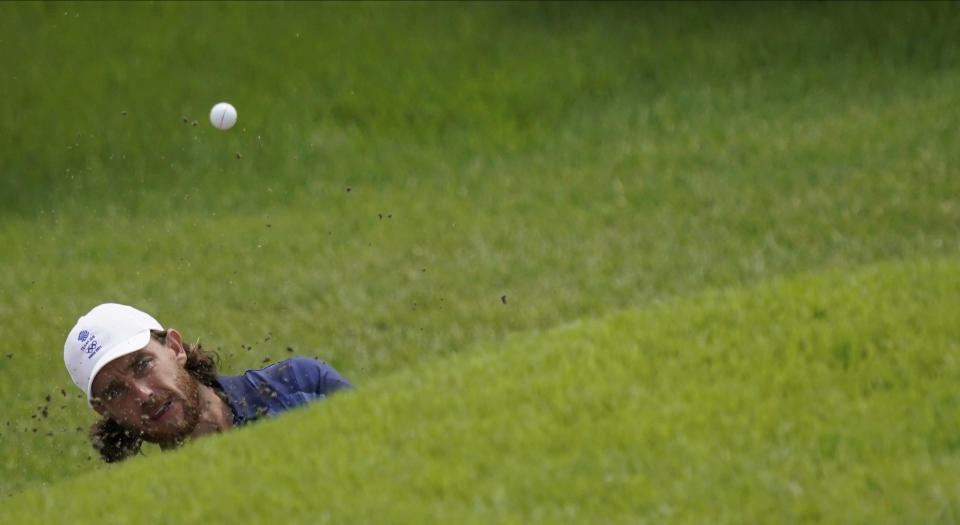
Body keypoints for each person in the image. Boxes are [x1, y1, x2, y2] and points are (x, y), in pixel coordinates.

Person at [63, 303, 353, 462]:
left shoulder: (300, 384)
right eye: (115, 391)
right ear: (105, 411)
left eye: (142, 364)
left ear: (175, 348)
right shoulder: (165, 503)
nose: (143, 393)